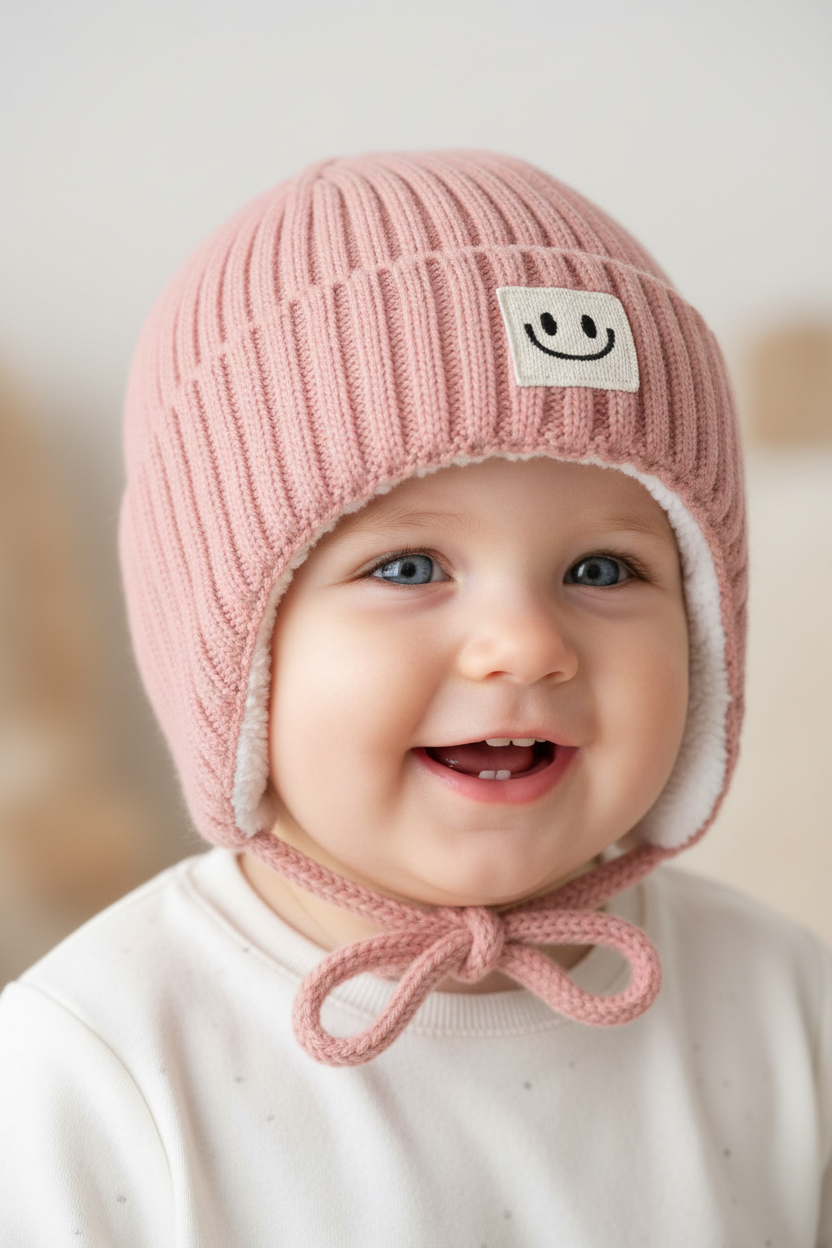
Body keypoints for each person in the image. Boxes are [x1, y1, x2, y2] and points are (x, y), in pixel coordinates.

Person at [1, 151, 830, 1245]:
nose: (526, 645)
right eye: (407, 569)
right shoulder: (93, 1061)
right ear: (234, 656)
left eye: (602, 571)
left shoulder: (786, 1005)